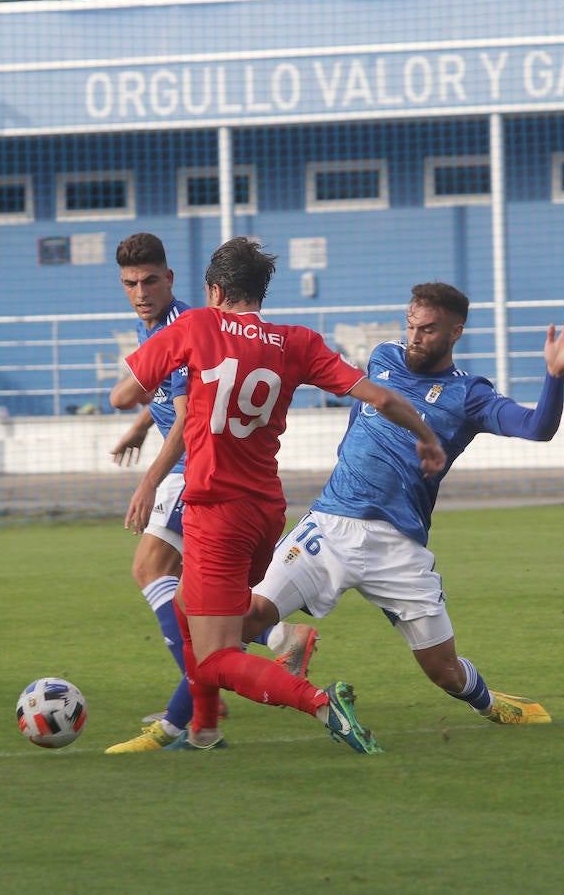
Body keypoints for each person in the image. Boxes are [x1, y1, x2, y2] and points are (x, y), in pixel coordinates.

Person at [111, 237, 446, 754]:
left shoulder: (195, 325)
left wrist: (150, 385)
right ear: (260, 292)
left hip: (214, 512)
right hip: (267, 514)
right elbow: (378, 396)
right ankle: (204, 729)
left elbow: (123, 394)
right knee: (188, 607)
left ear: (213, 290)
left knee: (215, 656)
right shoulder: (298, 342)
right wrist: (426, 438)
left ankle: (318, 701)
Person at [243, 282, 564, 726]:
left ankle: (492, 705)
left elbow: (538, 427)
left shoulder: (470, 396)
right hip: (330, 526)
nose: (414, 337)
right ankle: (203, 709)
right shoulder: (383, 357)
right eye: (410, 325)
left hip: (397, 547)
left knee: (444, 672)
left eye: (427, 329)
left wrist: (554, 375)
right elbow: (359, 414)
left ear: (455, 332)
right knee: (242, 618)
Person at [103, 233, 319, 755]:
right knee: (184, 596)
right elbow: (175, 394)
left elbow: (184, 414)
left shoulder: (187, 324)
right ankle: (252, 660)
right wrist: (138, 426)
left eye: (150, 280)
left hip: (195, 472)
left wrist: (151, 478)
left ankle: (193, 707)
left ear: (172, 280)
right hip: (198, 474)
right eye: (131, 283)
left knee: (151, 569)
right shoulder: (154, 324)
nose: (141, 292)